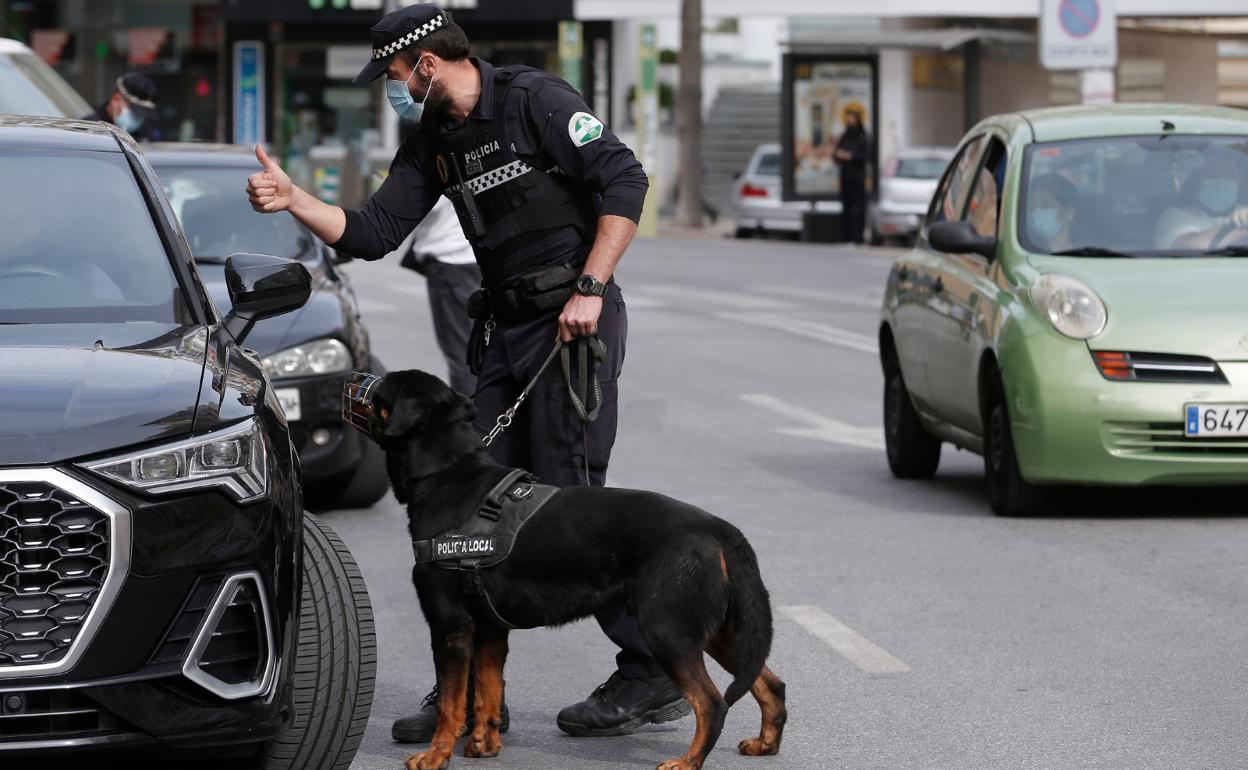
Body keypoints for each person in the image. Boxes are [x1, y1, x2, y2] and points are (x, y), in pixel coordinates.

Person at [244, 4, 687, 745]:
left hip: (571, 325)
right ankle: (478, 692)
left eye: (390, 73)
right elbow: (373, 232)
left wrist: (592, 286)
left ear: (422, 62)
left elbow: (624, 181)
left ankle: (651, 668)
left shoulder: (535, 100)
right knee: (466, 505)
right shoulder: (433, 141)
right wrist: (296, 201)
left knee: (568, 501)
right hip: (506, 331)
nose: (390, 89)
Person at [397, 195, 481, 396]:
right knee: (478, 347)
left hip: (451, 257)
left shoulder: (438, 162)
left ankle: (471, 421)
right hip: (475, 254)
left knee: (462, 352)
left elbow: (418, 202)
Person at [1155, 149, 1248, 250]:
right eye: (1212, 173)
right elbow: (1191, 247)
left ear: (1241, 180)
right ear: (1199, 178)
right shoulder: (1174, 215)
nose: (1220, 180)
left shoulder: (1245, 210)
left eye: (1228, 175)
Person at [833, 109, 870, 244]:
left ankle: (858, 237)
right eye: (848, 119)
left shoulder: (862, 137)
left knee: (859, 208)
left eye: (852, 119)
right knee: (846, 207)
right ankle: (846, 236)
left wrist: (851, 156)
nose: (850, 121)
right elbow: (835, 153)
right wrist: (839, 155)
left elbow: (865, 156)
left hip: (858, 178)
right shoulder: (844, 136)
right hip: (846, 177)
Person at [90, 73, 161, 141]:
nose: (137, 119)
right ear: (116, 99)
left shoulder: (144, 133)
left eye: (141, 115)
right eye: (135, 113)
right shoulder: (89, 131)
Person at [1025, 173, 1078, 253]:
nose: (1037, 212)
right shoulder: (1024, 249)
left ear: (1069, 212)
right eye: (1032, 207)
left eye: (1046, 206)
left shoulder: (1086, 253)